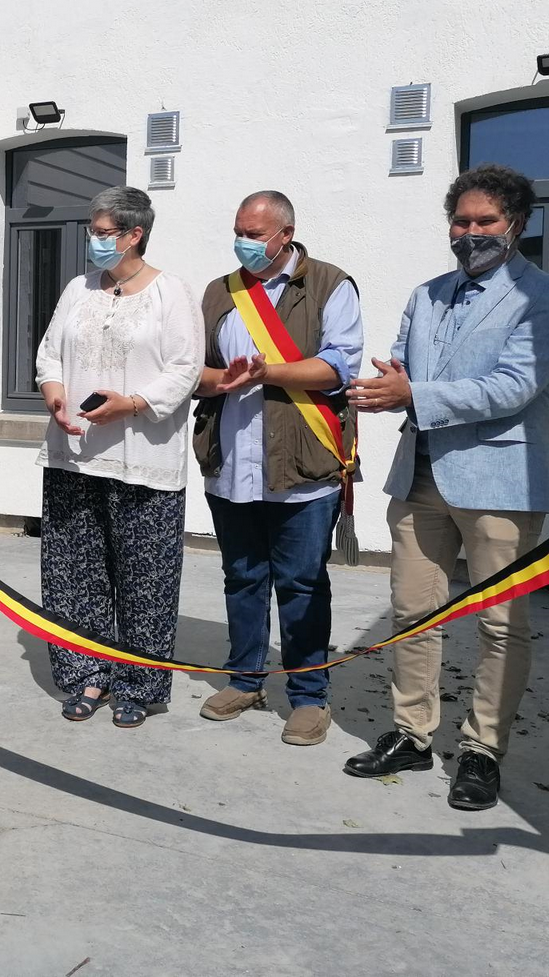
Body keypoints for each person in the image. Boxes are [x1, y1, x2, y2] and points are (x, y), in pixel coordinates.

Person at [345, 163, 549, 812]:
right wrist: (387, 383)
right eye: (461, 221)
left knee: (501, 624)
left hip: (500, 481)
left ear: (516, 224)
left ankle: (482, 750)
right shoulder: (427, 294)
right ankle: (412, 733)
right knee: (412, 611)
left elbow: (514, 387)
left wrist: (413, 392)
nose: (471, 232)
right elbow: (402, 360)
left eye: (486, 221)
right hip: (420, 474)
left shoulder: (547, 296)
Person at [192, 191, 363, 746]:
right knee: (243, 578)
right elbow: (193, 371)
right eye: (238, 231)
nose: (243, 242)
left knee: (302, 584)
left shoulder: (330, 284)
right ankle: (245, 679)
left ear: (285, 235)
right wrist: (221, 379)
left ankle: (309, 696)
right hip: (231, 464)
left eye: (255, 233)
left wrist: (270, 372)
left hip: (302, 466)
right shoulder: (220, 291)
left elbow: (339, 366)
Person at [35, 186, 203, 729]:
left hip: (143, 459)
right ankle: (88, 672)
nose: (95, 240)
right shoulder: (78, 289)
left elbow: (185, 369)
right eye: (94, 230)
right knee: (74, 574)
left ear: (135, 234)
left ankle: (137, 683)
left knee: (144, 578)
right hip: (75, 454)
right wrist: (55, 397)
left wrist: (131, 404)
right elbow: (48, 354)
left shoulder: (171, 293)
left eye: (105, 232)